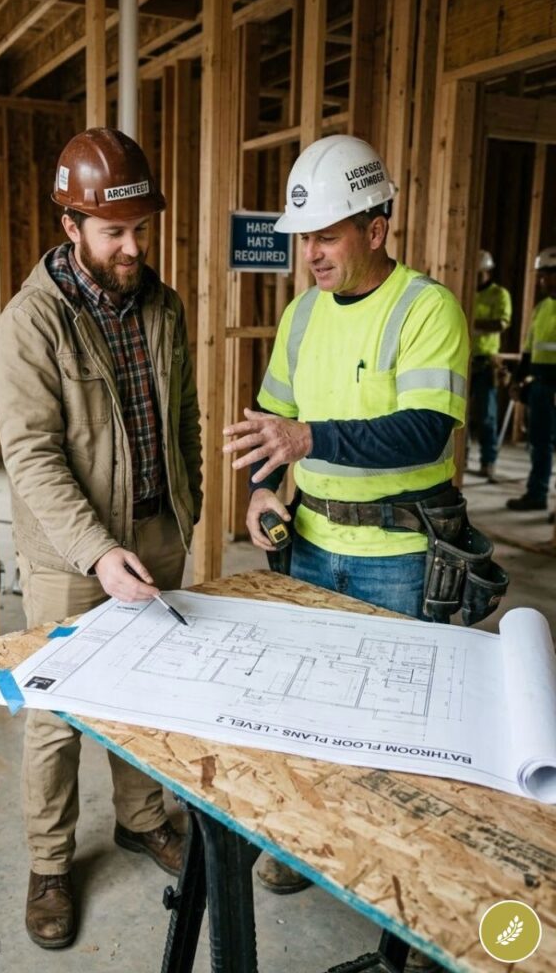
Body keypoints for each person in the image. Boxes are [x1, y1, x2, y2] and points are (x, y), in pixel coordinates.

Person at [223, 135, 469, 971]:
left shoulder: (425, 308)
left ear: (378, 225)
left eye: (326, 234)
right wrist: (261, 492)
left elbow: (428, 428)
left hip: (398, 557)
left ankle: (398, 892)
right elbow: (269, 426)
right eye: (304, 237)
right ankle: (301, 848)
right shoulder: (300, 316)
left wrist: (309, 436)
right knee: (311, 713)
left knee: (398, 736)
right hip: (313, 546)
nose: (311, 253)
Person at [0, 127, 202, 950]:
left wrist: (177, 511)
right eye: (115, 232)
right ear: (71, 224)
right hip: (69, 554)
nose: (133, 247)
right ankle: (49, 862)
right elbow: (33, 458)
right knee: (59, 709)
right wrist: (94, 549)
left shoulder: (164, 303)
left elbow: (180, 415)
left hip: (156, 529)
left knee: (145, 696)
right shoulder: (29, 323)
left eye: (142, 228)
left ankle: (142, 818)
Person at [506, 247, 556, 513]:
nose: (542, 281)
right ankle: (537, 494)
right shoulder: (541, 308)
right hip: (540, 385)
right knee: (538, 443)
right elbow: (528, 350)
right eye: (541, 276)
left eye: (547, 275)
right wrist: (518, 381)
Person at [468, 250, 512, 481]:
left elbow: (501, 322)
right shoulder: (465, 290)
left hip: (486, 361)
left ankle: (488, 461)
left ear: (487, 271)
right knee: (460, 415)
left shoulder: (499, 294)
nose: (475, 278)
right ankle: (462, 458)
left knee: (487, 415)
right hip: (465, 360)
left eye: (479, 273)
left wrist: (473, 323)